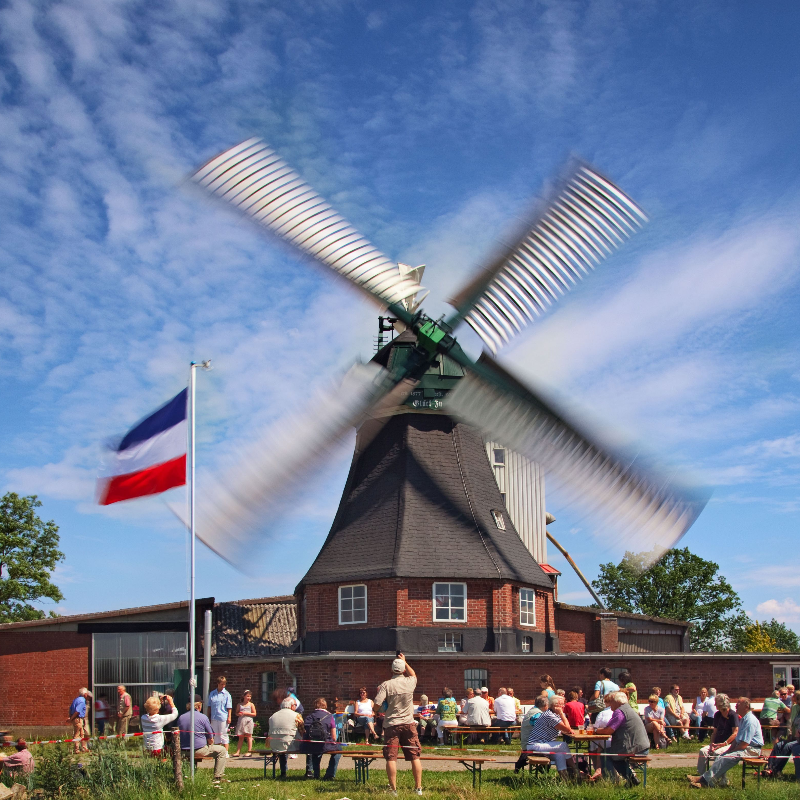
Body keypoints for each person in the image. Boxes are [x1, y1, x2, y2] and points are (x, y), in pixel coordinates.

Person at [374, 653, 422, 796]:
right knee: (415, 756)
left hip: (392, 724)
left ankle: (393, 789)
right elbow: (413, 674)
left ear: (391, 670)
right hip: (408, 723)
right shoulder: (410, 681)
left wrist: (379, 709)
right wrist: (405, 661)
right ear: (403, 670)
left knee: (391, 757)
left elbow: (376, 704)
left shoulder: (386, 685)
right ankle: (418, 788)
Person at [689, 697, 762, 788]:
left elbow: (744, 744)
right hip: (744, 748)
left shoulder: (750, 720)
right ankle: (706, 780)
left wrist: (731, 752)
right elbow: (737, 740)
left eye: (739, 703)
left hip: (752, 750)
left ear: (746, 707)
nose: (736, 705)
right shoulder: (743, 719)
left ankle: (704, 781)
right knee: (721, 756)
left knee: (726, 758)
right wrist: (728, 751)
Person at [595, 690, 650, 786]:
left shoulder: (619, 712)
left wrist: (596, 730)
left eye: (612, 701)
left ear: (617, 702)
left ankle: (613, 780)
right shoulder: (628, 709)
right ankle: (630, 778)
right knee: (610, 752)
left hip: (635, 747)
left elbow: (609, 730)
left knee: (606, 753)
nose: (610, 704)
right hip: (642, 746)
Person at [515, 695, 575, 779]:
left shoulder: (554, 715)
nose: (563, 706)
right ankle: (575, 770)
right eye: (561, 704)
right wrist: (562, 714)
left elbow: (565, 729)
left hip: (544, 744)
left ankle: (565, 779)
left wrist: (566, 726)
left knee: (560, 755)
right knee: (563, 745)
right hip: (535, 745)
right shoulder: (549, 715)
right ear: (554, 705)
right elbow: (567, 729)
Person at [179, 695, 229, 786]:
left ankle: (187, 776)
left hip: (182, 750)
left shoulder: (181, 717)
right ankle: (217, 777)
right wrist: (210, 744)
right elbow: (210, 737)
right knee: (222, 750)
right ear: (199, 706)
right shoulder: (203, 717)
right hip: (199, 750)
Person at [696, 694, 739, 775]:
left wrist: (724, 743)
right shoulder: (717, 715)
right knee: (703, 751)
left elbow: (735, 733)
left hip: (729, 744)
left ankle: (716, 777)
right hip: (717, 743)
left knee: (717, 753)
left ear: (722, 704)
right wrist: (712, 744)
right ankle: (701, 775)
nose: (715, 704)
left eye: (716, 702)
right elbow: (714, 733)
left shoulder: (733, 715)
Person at [301, 697, 341, 780]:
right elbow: (334, 737)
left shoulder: (309, 716)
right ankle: (330, 774)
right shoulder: (330, 717)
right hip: (324, 744)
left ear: (315, 705)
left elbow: (304, 733)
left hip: (310, 745)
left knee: (315, 751)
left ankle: (316, 774)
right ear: (325, 705)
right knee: (338, 750)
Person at [764, 689, 800, 777]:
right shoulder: (795, 708)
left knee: (788, 746)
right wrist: (790, 734)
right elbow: (791, 723)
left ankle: (774, 770)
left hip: (798, 739)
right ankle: (769, 767)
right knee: (778, 745)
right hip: (795, 737)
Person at [268, 697, 304, 778]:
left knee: (282, 747)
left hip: (274, 745)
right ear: (291, 706)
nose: (296, 707)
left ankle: (283, 772)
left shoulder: (273, 716)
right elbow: (302, 732)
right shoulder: (297, 716)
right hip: (290, 745)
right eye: (295, 705)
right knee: (309, 748)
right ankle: (309, 771)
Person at [587, 692, 617, 780]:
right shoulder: (620, 712)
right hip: (618, 740)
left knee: (596, 745)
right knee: (600, 744)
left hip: (607, 740)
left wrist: (596, 730)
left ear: (606, 702)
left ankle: (597, 769)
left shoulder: (603, 713)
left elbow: (596, 727)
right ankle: (600, 770)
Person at [208, 676, 233, 748]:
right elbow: (209, 706)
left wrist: (229, 717)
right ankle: (218, 751)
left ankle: (226, 751)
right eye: (222, 684)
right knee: (216, 735)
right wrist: (208, 716)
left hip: (223, 717)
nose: (223, 686)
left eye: (224, 684)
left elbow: (229, 707)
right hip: (214, 717)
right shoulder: (212, 693)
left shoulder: (227, 694)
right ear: (218, 683)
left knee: (223, 735)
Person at [233, 689, 257, 757]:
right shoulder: (239, 705)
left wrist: (246, 713)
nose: (249, 698)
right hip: (241, 721)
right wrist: (239, 714)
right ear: (244, 696)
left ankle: (249, 751)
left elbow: (254, 714)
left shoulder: (251, 704)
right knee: (241, 737)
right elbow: (236, 712)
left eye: (250, 696)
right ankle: (238, 751)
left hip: (248, 721)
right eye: (247, 696)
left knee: (249, 736)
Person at [69, 688, 91, 754]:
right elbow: (77, 711)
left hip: (77, 718)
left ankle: (83, 748)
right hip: (78, 718)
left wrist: (71, 717)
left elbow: (70, 709)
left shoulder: (76, 699)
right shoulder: (82, 701)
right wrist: (71, 719)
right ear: (85, 694)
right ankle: (77, 749)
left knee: (82, 733)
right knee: (77, 734)